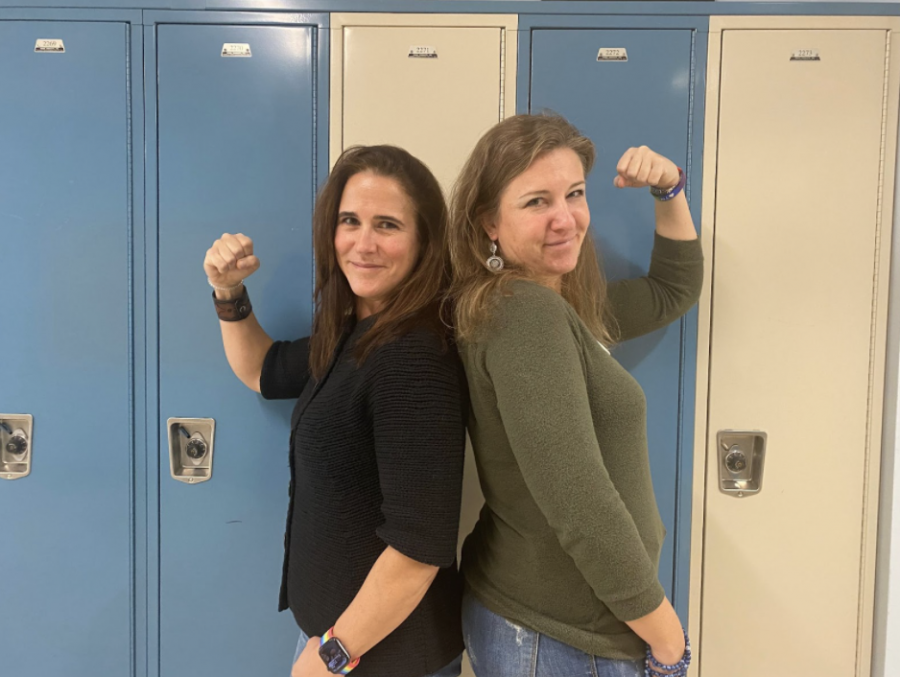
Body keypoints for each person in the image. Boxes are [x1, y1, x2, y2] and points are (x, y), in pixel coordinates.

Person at [447, 114, 703, 677]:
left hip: (552, 620)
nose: (565, 218)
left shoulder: (560, 307)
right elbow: (578, 500)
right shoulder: (525, 313)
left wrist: (669, 188)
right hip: (561, 632)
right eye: (537, 201)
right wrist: (668, 639)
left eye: (575, 194)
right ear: (489, 221)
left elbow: (672, 290)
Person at [203, 145, 467, 677]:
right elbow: (263, 369)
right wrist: (227, 291)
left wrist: (331, 658)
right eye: (350, 221)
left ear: (424, 242)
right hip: (337, 640)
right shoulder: (353, 332)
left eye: (387, 225)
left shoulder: (412, 356)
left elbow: (418, 549)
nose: (362, 244)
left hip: (377, 655)